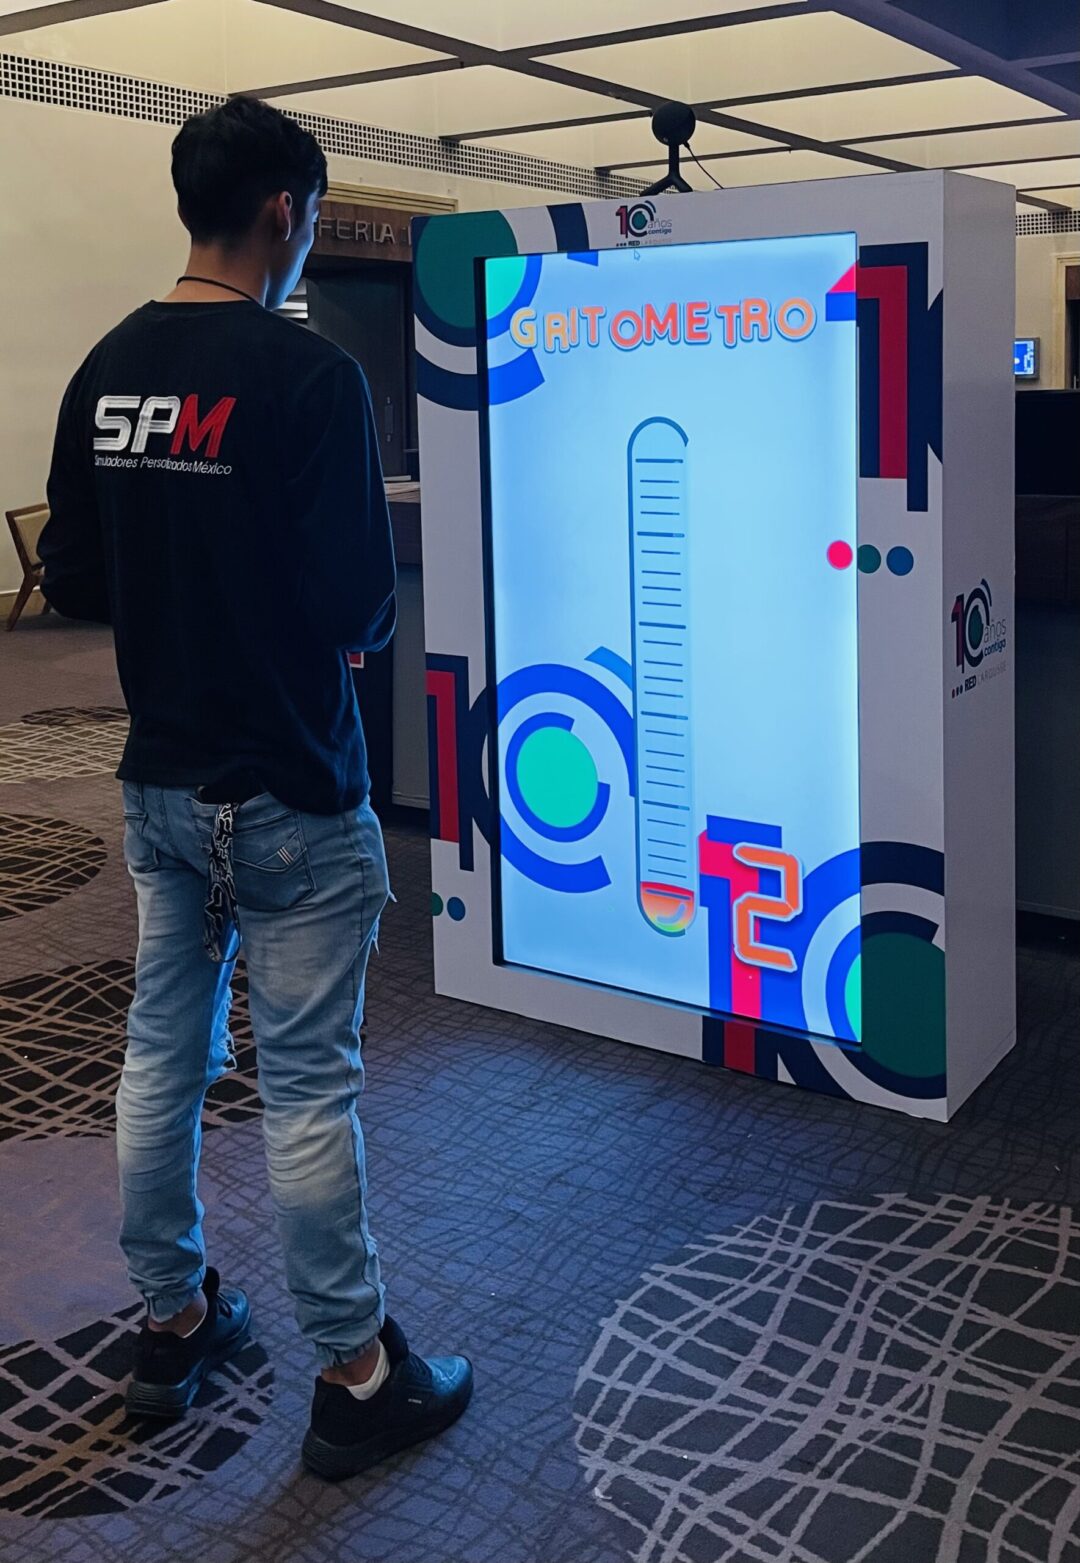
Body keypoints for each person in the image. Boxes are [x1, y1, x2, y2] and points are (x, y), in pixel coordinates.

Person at [38, 95, 472, 1481]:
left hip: (162, 783)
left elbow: (78, 581)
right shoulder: (309, 378)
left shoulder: (106, 368)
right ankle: (355, 1371)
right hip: (293, 786)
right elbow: (360, 607)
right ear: (285, 212)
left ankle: (173, 1321)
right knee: (306, 1090)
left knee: (161, 1059)